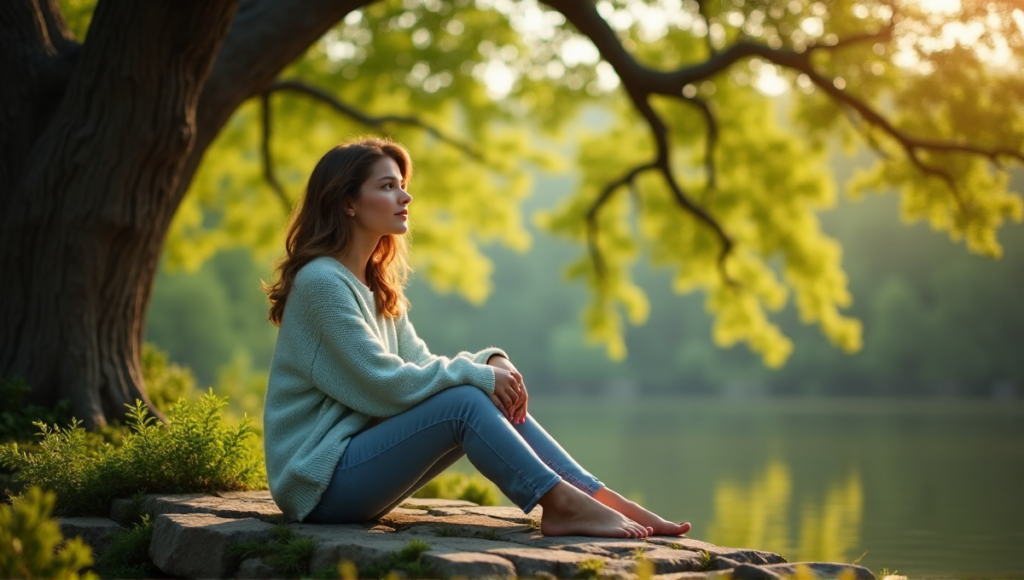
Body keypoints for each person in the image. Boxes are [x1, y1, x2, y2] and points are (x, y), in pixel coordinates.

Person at [262, 136, 691, 538]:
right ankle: (562, 505)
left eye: (403, 185)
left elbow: (421, 369)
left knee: (472, 393)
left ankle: (595, 496)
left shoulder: (374, 286)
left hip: (353, 470)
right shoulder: (321, 282)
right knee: (465, 400)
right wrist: (479, 375)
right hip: (317, 483)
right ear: (349, 202)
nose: (405, 197)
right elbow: (381, 385)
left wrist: (488, 361)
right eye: (388, 186)